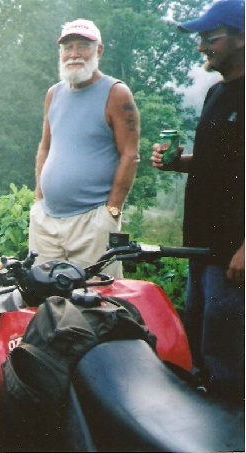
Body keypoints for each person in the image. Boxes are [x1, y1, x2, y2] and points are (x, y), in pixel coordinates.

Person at [150, 0, 244, 403]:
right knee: (203, 351)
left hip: (234, 256)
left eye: (211, 37)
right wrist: (177, 164)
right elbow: (217, 165)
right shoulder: (215, 94)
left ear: (242, 38)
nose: (202, 46)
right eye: (201, 38)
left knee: (230, 364)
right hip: (203, 248)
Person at [29, 19, 140, 278]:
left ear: (98, 51)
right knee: (45, 300)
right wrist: (39, 199)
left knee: (97, 303)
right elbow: (45, 147)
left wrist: (112, 211)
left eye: (83, 46)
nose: (74, 53)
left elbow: (130, 155)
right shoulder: (53, 94)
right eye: (68, 47)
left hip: (92, 222)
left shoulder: (116, 93)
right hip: (46, 222)